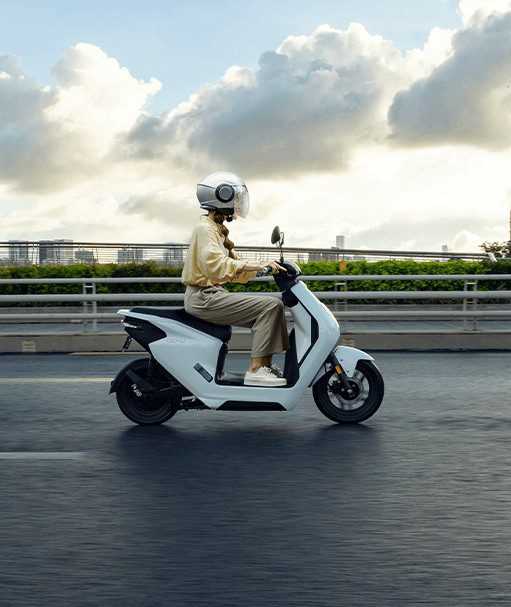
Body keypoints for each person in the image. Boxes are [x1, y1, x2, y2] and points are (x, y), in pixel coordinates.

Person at [181, 172, 289, 387]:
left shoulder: (215, 229)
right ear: (222, 196)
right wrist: (258, 265)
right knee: (270, 306)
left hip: (211, 295)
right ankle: (256, 370)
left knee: (273, 307)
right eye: (236, 199)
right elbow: (216, 266)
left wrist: (264, 268)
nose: (238, 204)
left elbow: (235, 267)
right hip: (204, 298)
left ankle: (264, 365)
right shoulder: (205, 229)